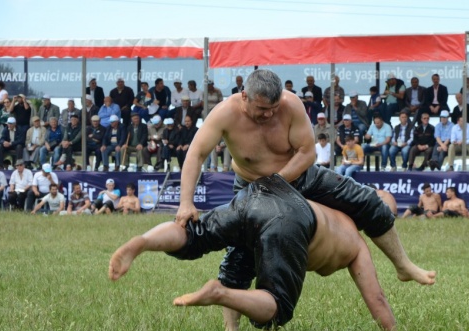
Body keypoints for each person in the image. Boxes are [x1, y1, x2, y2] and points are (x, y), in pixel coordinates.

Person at [175, 69, 436, 317]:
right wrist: (186, 202)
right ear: (245, 96)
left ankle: (403, 265)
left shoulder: (292, 105)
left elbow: (307, 153)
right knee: (238, 257)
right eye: (262, 109)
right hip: (251, 188)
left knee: (367, 200)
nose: (269, 115)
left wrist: (276, 181)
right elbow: (196, 154)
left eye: (273, 108)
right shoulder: (223, 114)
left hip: (300, 177)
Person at [110, 174, 413, 331]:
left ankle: (144, 241)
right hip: (289, 221)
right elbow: (377, 300)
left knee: (197, 237)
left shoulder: (327, 199)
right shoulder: (356, 244)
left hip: (258, 192)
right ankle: (220, 293)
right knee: (276, 309)